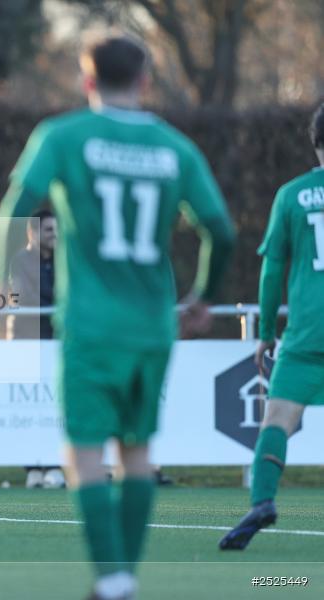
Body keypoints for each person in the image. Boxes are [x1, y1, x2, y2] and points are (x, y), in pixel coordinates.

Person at [0, 36, 234, 600]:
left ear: (88, 81)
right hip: (152, 326)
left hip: (91, 324)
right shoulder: (175, 148)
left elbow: (16, 206)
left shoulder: (62, 135)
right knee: (138, 452)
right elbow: (220, 230)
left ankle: (114, 577)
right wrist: (204, 295)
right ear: (145, 82)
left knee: (82, 451)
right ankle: (123, 577)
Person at [219, 102, 324, 550]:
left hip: (306, 334)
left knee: (277, 420)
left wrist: (264, 333)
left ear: (315, 141)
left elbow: (271, 271)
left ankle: (262, 501)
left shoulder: (292, 195)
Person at [8, 208, 56, 340]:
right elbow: (24, 298)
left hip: (55, 337)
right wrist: (59, 307)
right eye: (49, 229)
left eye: (56, 230)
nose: (54, 234)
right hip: (27, 338)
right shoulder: (19, 261)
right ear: (32, 233)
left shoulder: (60, 262)